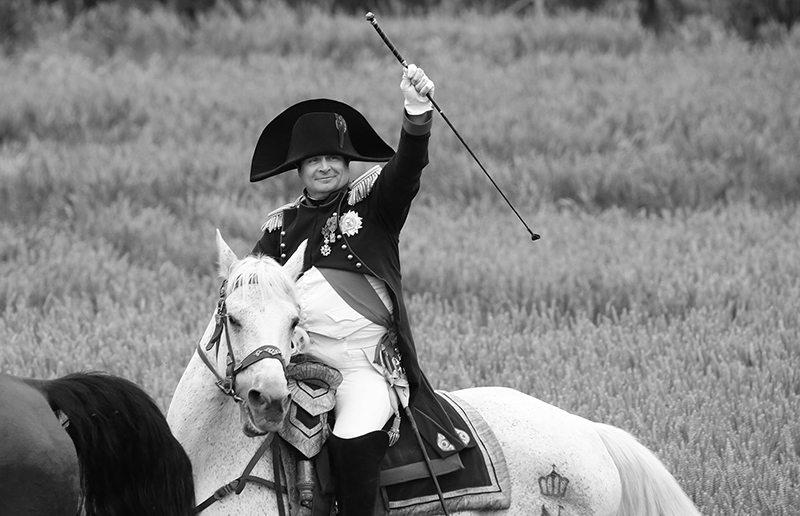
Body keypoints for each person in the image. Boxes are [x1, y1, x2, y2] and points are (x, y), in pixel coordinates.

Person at [249, 64, 467, 516]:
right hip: (297, 369)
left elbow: (407, 168)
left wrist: (416, 108)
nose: (325, 166)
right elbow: (252, 296)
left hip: (363, 370)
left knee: (351, 438)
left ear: (347, 164)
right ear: (300, 170)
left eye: (333, 158)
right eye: (314, 160)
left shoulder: (376, 204)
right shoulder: (280, 227)